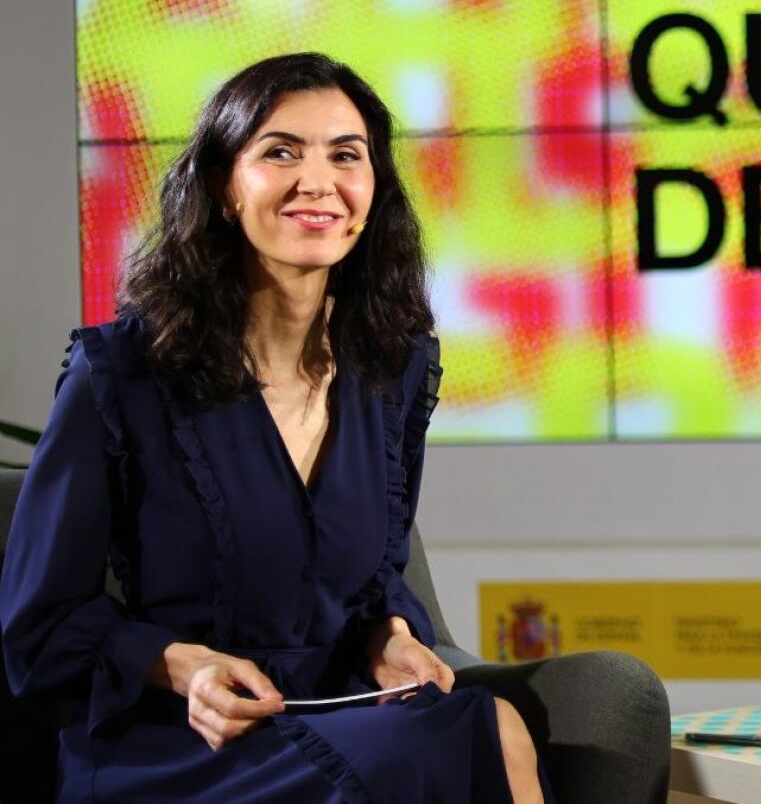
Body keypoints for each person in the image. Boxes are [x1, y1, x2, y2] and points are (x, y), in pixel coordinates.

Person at [0, 54, 547, 802]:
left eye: (346, 155)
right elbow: (40, 629)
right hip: (181, 743)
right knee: (434, 749)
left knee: (489, 727)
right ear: (226, 187)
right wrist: (181, 664)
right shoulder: (121, 372)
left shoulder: (393, 368)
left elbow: (376, 575)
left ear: (373, 189)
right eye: (281, 152)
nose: (317, 181)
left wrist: (389, 637)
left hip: (339, 710)